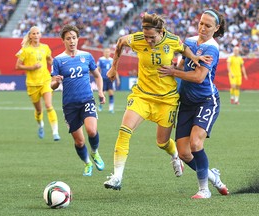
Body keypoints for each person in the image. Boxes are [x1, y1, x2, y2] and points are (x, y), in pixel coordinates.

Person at [104, 12, 212, 190]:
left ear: (161, 32)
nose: (148, 41)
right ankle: (117, 176)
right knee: (124, 131)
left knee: (162, 142)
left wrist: (194, 58)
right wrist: (113, 67)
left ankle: (174, 154)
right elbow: (120, 42)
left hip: (166, 99)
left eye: (152, 37)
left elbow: (183, 48)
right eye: (146, 37)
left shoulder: (172, 40)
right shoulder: (136, 39)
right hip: (142, 95)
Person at [158, 9, 229, 198]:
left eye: (207, 25)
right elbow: (182, 65)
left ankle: (204, 189)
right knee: (183, 153)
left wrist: (173, 73)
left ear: (216, 28)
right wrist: (172, 68)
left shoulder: (212, 48)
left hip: (206, 101)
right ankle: (214, 178)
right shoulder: (188, 42)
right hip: (186, 103)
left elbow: (198, 77)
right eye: (201, 23)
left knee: (196, 144)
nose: (202, 28)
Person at [50, 25, 106, 176]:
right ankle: (87, 163)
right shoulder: (58, 60)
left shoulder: (86, 56)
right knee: (79, 142)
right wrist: (57, 81)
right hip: (70, 105)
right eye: (68, 38)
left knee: (92, 130)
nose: (71, 41)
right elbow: (52, 86)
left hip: (87, 99)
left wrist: (100, 91)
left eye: (74, 38)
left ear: (78, 39)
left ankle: (94, 152)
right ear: (63, 40)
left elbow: (98, 75)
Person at [15, 26, 60, 141]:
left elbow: (50, 60)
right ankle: (40, 124)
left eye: (37, 33)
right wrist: (32, 67)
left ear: (40, 35)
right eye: (33, 33)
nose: (35, 35)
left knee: (49, 105)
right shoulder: (25, 50)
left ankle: (55, 132)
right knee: (39, 110)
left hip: (45, 80)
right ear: (30, 36)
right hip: (32, 84)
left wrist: (57, 67)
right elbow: (17, 66)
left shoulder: (45, 48)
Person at [97, 47, 120, 113]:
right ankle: (101, 105)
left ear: (110, 53)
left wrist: (118, 79)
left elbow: (115, 70)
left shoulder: (112, 60)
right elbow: (98, 69)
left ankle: (111, 108)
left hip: (110, 79)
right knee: (103, 93)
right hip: (103, 79)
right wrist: (98, 77)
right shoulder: (101, 59)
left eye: (108, 52)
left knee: (111, 93)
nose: (107, 53)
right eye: (106, 51)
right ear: (104, 52)